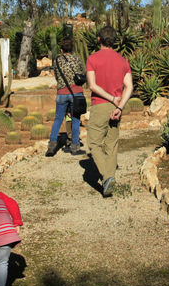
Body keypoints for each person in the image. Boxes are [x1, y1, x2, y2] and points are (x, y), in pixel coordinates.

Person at [85, 26, 133, 198]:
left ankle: (107, 176)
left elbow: (92, 85)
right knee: (111, 144)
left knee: (94, 143)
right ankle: (109, 178)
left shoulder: (92, 59)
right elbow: (129, 86)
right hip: (116, 108)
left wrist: (112, 99)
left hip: (100, 105)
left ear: (99, 39)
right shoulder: (122, 60)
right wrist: (120, 106)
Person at [47, 36, 86, 157]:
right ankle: (75, 146)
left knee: (58, 119)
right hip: (76, 93)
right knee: (75, 119)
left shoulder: (57, 60)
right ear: (72, 49)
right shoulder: (77, 59)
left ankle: (52, 146)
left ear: (61, 49)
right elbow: (81, 74)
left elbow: (57, 77)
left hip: (62, 93)